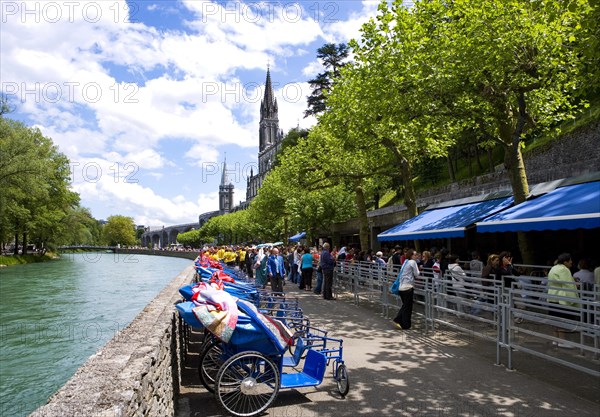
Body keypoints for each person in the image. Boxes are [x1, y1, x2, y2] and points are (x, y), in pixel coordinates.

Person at [547, 253, 580, 348]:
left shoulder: (554, 268)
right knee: (562, 320)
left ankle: (556, 340)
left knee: (554, 319)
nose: (571, 262)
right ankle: (562, 341)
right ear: (565, 261)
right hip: (561, 298)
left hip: (552, 296)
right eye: (570, 260)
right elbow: (568, 285)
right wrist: (574, 297)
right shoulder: (564, 270)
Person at [392, 249, 420, 330]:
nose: (416, 256)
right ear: (411, 255)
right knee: (407, 307)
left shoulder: (406, 261)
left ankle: (401, 322)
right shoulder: (412, 262)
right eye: (415, 255)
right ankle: (403, 323)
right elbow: (417, 274)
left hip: (401, 287)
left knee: (405, 306)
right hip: (408, 287)